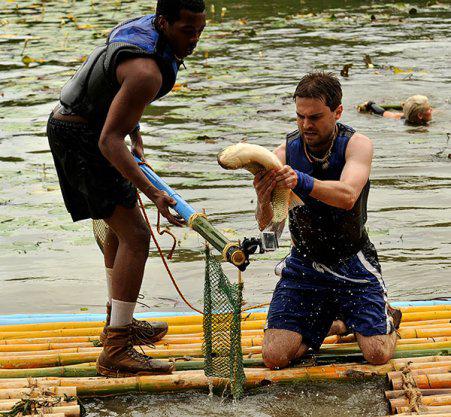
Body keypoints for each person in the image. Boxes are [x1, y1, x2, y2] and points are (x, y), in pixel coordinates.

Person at [46, 0, 206, 377]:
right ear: (164, 23)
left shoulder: (144, 31)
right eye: (187, 31)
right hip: (82, 138)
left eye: (200, 30)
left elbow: (113, 96)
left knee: (121, 231)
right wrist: (155, 194)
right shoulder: (147, 71)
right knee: (136, 236)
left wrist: (133, 133)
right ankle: (117, 347)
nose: (195, 40)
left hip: (86, 128)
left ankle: (116, 320)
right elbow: (107, 141)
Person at [253, 72, 399, 370]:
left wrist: (302, 181)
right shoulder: (284, 154)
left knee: (377, 354)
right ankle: (335, 320)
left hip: (351, 259)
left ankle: (386, 315)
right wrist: (262, 197)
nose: (306, 125)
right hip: (305, 263)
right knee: (275, 357)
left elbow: (347, 196)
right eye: (300, 117)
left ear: (338, 112)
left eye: (316, 117)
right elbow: (269, 226)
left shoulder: (356, 145)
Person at [358, 95, 432, 125]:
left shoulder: (401, 116)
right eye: (429, 109)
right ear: (420, 115)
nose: (431, 110)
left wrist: (370, 104)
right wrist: (370, 104)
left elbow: (382, 113)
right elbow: (381, 112)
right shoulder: (401, 117)